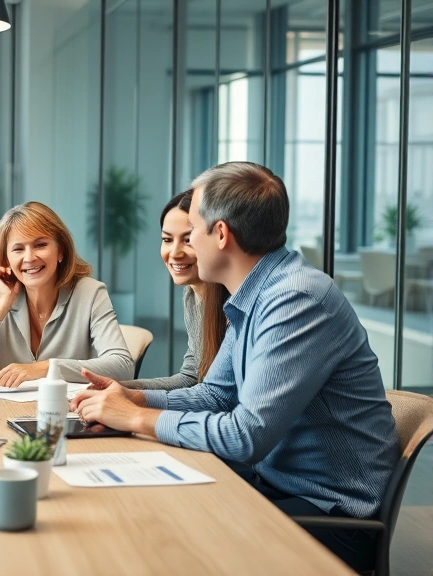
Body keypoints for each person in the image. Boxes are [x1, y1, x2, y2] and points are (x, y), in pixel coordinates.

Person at [70, 162, 398, 572]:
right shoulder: (252, 294)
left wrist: (136, 416)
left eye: (192, 230)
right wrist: (132, 396)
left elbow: (246, 436)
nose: (184, 246)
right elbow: (214, 393)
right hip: (275, 485)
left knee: (158, 535)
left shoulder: (296, 299)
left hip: (327, 515)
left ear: (220, 234)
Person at [0, 201, 134, 386]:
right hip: (10, 412)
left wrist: (46, 368)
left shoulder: (90, 293)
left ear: (61, 251)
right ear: (6, 259)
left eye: (40, 245)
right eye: (18, 249)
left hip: (69, 411)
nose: (29, 258)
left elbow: (123, 367)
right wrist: (4, 303)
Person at [123, 190, 228, 390]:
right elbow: (191, 376)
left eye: (188, 240)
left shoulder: (233, 304)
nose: (175, 253)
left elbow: (219, 395)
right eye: (167, 239)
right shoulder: (192, 295)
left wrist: (133, 402)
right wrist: (122, 388)